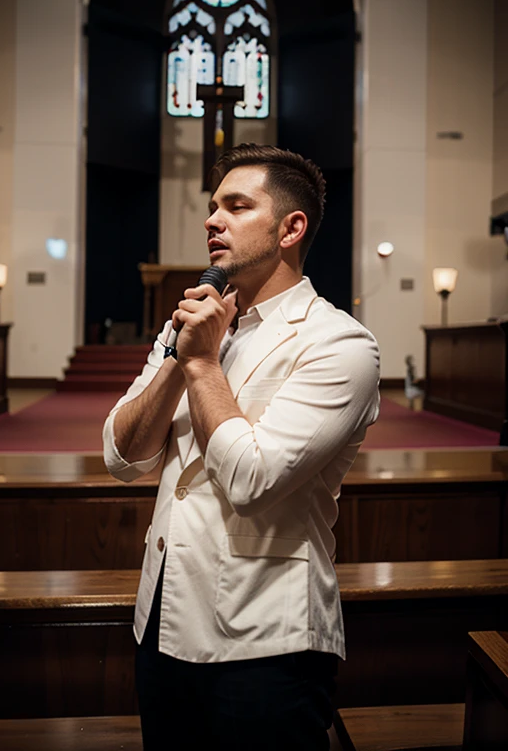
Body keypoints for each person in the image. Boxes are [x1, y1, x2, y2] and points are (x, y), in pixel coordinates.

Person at [103, 143, 380, 750]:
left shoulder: (340, 345)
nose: (212, 220)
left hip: (265, 638)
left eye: (235, 205)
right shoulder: (193, 323)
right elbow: (123, 457)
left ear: (291, 228)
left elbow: (251, 481)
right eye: (211, 207)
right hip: (162, 616)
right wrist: (180, 355)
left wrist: (200, 365)